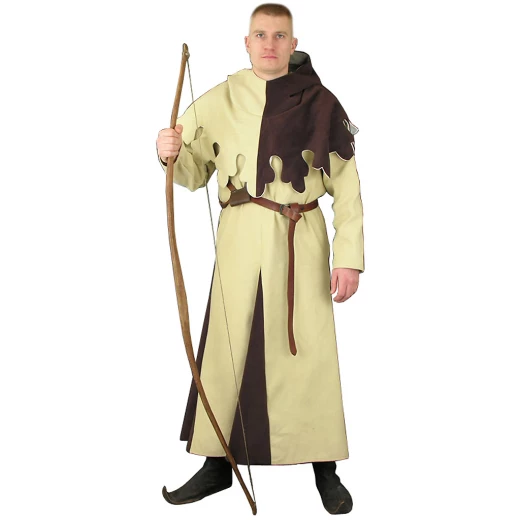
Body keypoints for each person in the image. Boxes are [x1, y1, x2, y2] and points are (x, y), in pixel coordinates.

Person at [155, 3, 364, 515]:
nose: (270, 43)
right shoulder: (220, 98)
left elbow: (347, 187)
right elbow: (190, 172)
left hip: (300, 238)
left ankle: (325, 469)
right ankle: (217, 464)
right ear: (246, 43)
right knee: (227, 348)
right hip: (239, 239)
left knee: (308, 353)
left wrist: (349, 257)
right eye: (260, 35)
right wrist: (167, 151)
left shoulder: (320, 103)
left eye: (279, 35)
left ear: (293, 44)